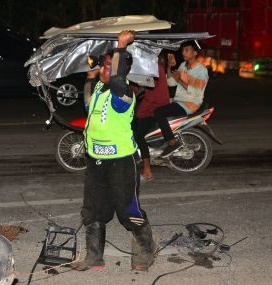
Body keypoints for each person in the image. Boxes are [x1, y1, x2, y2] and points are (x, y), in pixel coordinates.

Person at [71, 30, 157, 272]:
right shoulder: (100, 89)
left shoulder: (124, 94)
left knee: (128, 211)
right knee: (93, 211)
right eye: (103, 66)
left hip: (121, 162)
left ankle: (145, 251)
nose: (103, 70)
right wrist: (90, 77)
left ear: (121, 70)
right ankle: (93, 257)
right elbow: (88, 105)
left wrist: (121, 46)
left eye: (108, 67)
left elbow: (118, 79)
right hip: (96, 161)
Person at [152, 40, 209, 158]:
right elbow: (171, 82)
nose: (184, 52)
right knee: (154, 107)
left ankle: (172, 143)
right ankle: (160, 140)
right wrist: (169, 67)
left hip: (190, 104)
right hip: (179, 101)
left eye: (187, 50)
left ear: (195, 53)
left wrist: (179, 80)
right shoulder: (183, 65)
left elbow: (196, 91)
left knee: (159, 112)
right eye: (183, 50)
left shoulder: (201, 70)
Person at [132, 53, 171, 182]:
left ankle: (147, 171)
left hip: (155, 107)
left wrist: (141, 109)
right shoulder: (152, 66)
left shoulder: (156, 68)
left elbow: (154, 93)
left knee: (138, 135)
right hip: (152, 105)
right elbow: (140, 84)